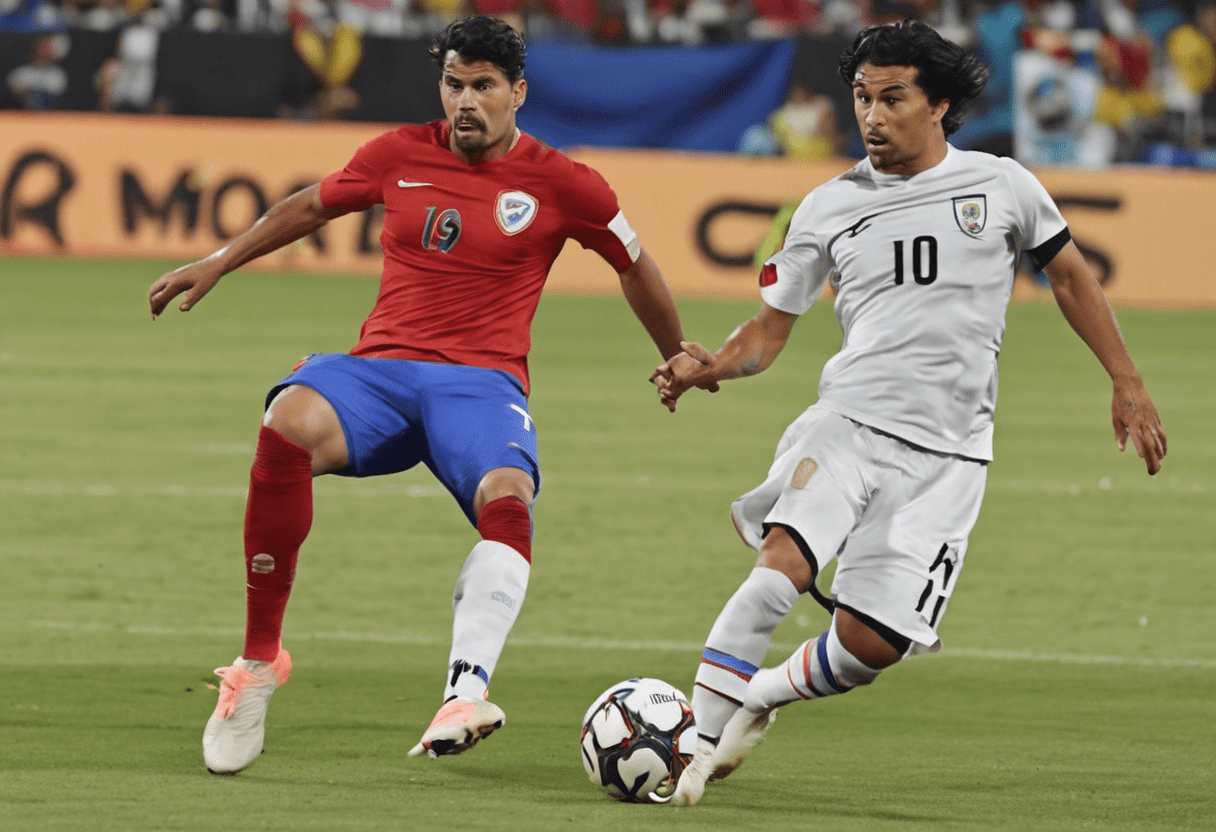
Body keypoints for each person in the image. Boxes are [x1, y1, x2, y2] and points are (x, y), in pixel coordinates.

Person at [147, 15, 697, 775]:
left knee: (509, 496)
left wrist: (674, 355)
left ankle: (464, 694)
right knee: (286, 422)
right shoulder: (398, 153)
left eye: (483, 86)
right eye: (453, 84)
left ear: (518, 93)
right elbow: (311, 205)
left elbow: (633, 264)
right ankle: (259, 664)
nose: (465, 101)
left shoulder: (566, 184)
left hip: (480, 384)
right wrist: (219, 259)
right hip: (381, 373)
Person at [649, 20, 1167, 806]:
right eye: (862, 97)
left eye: (892, 98)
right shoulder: (827, 206)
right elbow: (769, 328)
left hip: (949, 458)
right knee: (780, 568)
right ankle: (687, 752)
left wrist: (1125, 378)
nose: (872, 116)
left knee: (870, 644)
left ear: (941, 104)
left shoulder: (1002, 185)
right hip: (849, 423)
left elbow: (1069, 277)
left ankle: (759, 696)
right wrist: (714, 364)